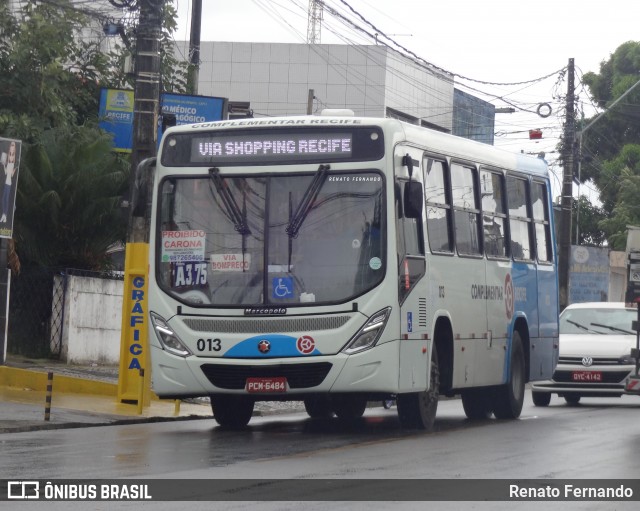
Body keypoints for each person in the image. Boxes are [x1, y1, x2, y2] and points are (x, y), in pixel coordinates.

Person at [0, 141, 17, 223]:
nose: (12, 147)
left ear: (14, 148)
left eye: (13, 145)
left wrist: (15, 170)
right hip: (6, 182)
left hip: (9, 183)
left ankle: (5, 215)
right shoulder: (8, 157)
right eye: (11, 145)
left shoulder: (14, 159)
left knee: (6, 199)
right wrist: (3, 165)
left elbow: (12, 174)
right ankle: (4, 215)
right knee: (3, 199)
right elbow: (6, 173)